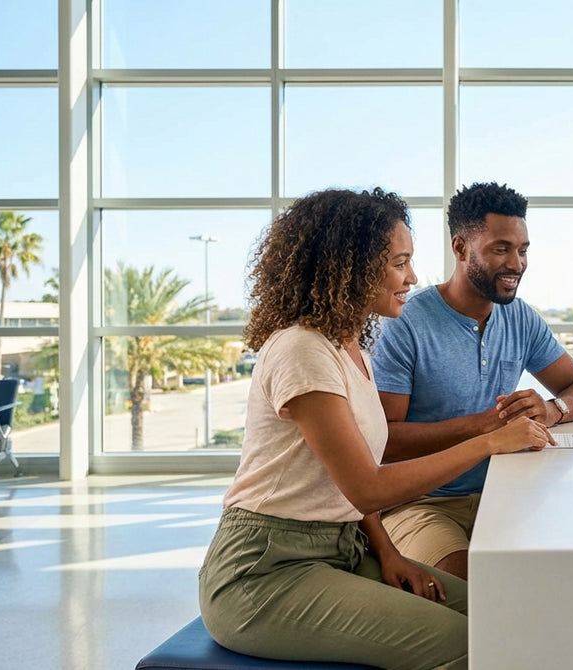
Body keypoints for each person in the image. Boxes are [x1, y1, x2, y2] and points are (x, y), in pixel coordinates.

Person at [198, 187, 554, 669]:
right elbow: (368, 486)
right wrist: (490, 438)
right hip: (264, 572)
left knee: (501, 612)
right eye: (398, 262)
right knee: (468, 644)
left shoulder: (351, 348)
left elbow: (350, 480)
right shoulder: (301, 350)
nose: (411, 277)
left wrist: (387, 552)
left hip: (342, 547)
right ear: (349, 267)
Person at [371, 181, 573, 580]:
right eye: (501, 249)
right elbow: (386, 443)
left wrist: (550, 410)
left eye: (522, 249)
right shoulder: (405, 324)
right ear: (460, 249)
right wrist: (486, 427)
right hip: (422, 503)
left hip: (504, 491)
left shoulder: (520, 317)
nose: (517, 263)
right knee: (477, 594)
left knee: (570, 575)